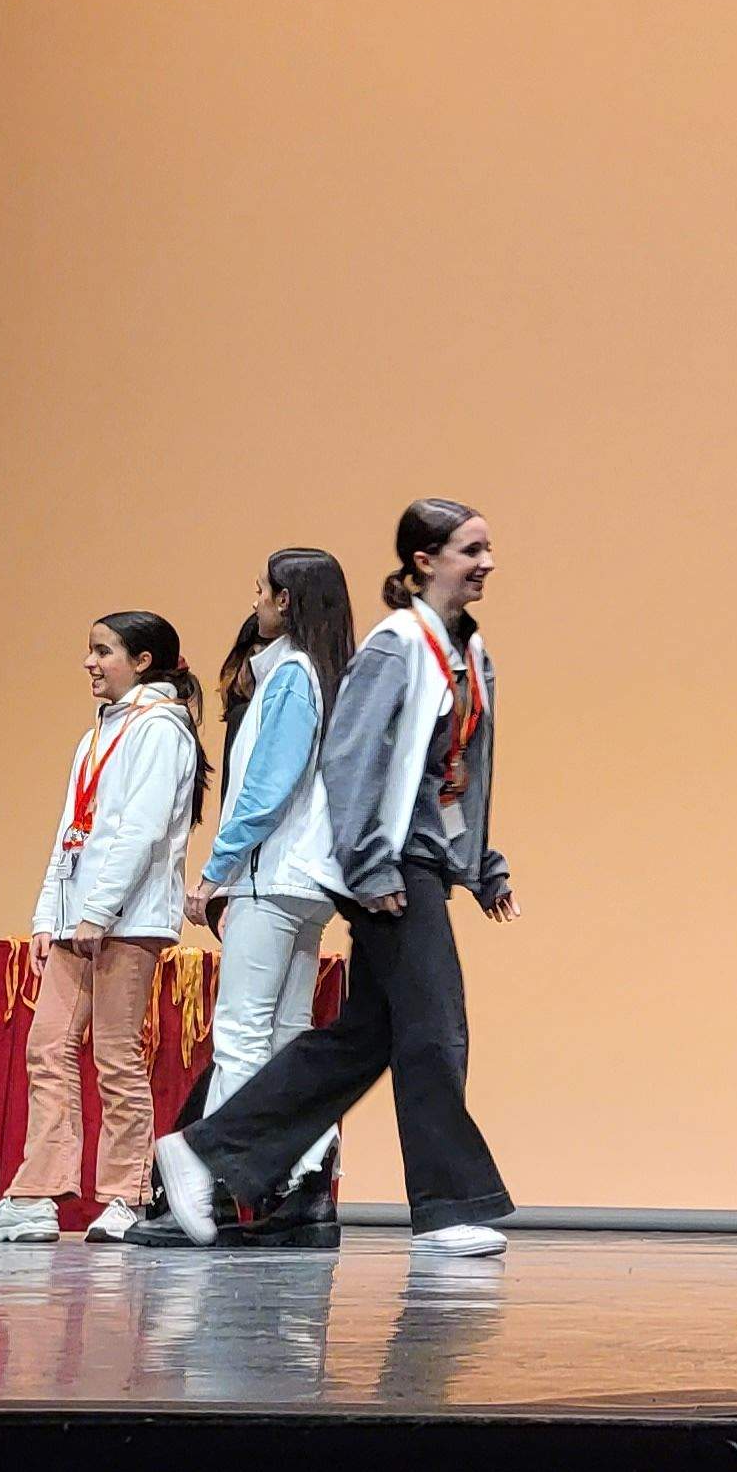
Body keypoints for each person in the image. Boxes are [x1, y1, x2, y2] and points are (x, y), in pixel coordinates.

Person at [153, 500, 521, 1258]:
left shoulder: (464, 651)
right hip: (387, 868)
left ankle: (209, 1151)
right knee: (433, 1033)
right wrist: (368, 862)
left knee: (363, 1040)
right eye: (469, 549)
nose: (485, 562)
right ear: (423, 560)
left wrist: (482, 864)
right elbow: (348, 763)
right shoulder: (395, 647)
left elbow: (456, 774)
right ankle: (449, 1205)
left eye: (487, 549)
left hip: (418, 861)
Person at [131, 549, 362, 1249]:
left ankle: (221, 1191)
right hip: (312, 883)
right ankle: (305, 1190)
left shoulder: (291, 676)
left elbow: (267, 787)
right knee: (288, 1041)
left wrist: (216, 871)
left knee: (239, 1037)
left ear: (286, 601)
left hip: (272, 876)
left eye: (262, 590)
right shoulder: (329, 675)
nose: (255, 600)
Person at [0, 613, 206, 1244]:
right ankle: (40, 1193)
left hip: (130, 918)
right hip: (80, 917)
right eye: (89, 651)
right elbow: (72, 833)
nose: (90, 663)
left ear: (143, 661)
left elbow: (143, 829)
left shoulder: (161, 728)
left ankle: (126, 1195)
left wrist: (99, 911)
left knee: (115, 1055)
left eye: (103, 651)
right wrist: (50, 915)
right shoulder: (95, 734)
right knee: (47, 1048)